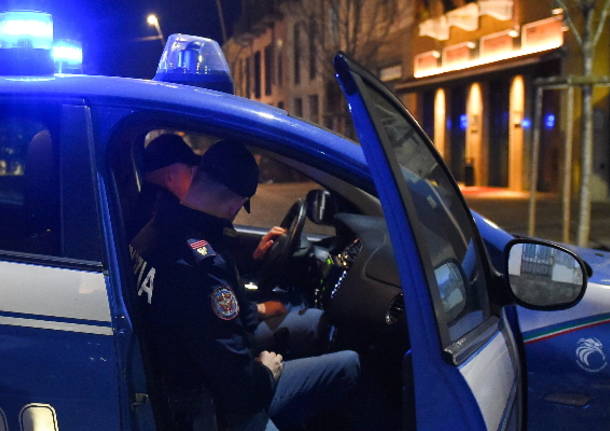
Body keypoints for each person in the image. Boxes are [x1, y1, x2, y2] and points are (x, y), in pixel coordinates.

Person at [131, 138, 360, 430]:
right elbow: (237, 384)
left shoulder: (157, 227)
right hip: (207, 406)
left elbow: (223, 324)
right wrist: (267, 371)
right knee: (349, 364)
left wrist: (257, 299)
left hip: (182, 377)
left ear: (198, 175)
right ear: (237, 204)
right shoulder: (201, 266)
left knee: (318, 331)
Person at [136, 134, 330, 358]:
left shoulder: (163, 219)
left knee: (300, 314)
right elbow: (228, 358)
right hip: (201, 364)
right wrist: (266, 372)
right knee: (333, 343)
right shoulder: (193, 249)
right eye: (189, 167)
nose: (193, 171)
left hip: (186, 346)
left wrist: (255, 259)